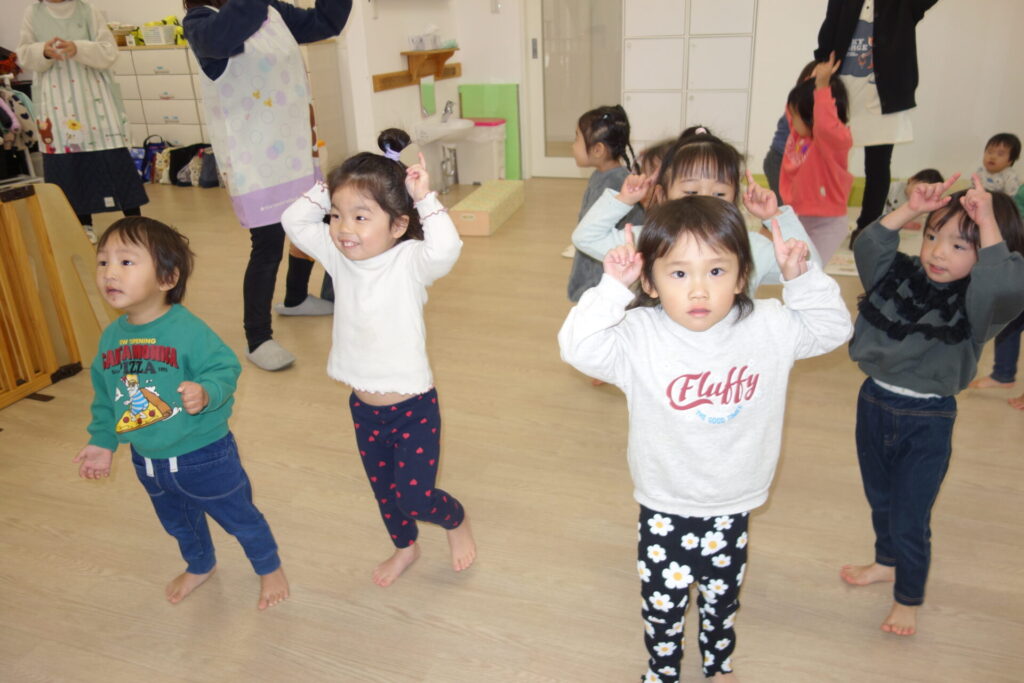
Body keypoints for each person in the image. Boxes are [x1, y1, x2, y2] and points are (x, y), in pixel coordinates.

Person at [559, 197, 852, 682]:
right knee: (662, 604)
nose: (698, 289)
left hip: (733, 499)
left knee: (722, 596)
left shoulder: (769, 324)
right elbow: (577, 347)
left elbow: (833, 328)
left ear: (741, 277)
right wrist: (612, 288)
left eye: (716, 271)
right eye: (678, 274)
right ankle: (662, 670)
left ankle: (718, 664)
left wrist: (800, 280)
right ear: (649, 282)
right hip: (664, 501)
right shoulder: (638, 334)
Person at [281, 129, 476, 587]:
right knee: (385, 494)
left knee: (416, 498)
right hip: (363, 408)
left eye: (360, 216)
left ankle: (456, 521)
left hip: (413, 409)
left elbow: (447, 248)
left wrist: (424, 198)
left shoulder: (410, 261)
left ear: (398, 225)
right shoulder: (339, 255)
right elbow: (293, 221)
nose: (344, 228)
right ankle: (405, 547)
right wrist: (331, 186)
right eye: (336, 215)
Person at [74, 217, 289, 610]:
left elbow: (225, 368)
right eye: (103, 261)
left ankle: (269, 567)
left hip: (204, 456)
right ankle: (200, 564)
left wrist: (207, 392)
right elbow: (106, 396)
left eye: (126, 262)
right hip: (148, 461)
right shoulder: (110, 338)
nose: (109, 273)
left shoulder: (188, 330)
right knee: (178, 522)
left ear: (167, 278)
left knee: (239, 517)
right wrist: (102, 441)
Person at [841, 174, 1024, 636]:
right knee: (880, 499)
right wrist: (910, 209)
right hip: (874, 402)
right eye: (931, 237)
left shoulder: (979, 302)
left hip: (927, 420)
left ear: (986, 251)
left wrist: (988, 222)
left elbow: (1006, 283)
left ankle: (908, 598)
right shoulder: (900, 276)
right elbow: (868, 246)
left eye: (960, 245)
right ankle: (886, 563)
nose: (938, 252)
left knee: (910, 515)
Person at [182, 0, 352, 371]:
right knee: (268, 245)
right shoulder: (200, 22)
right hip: (254, 162)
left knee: (313, 221)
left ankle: (295, 298)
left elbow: (325, 22)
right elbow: (226, 34)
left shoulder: (273, 11)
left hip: (294, 150)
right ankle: (257, 337)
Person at [573, 126, 823, 292]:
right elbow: (586, 237)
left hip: (727, 357)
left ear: (734, 199)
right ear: (662, 196)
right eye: (690, 192)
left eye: (719, 193)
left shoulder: (749, 246)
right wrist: (623, 200)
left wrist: (774, 216)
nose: (705, 201)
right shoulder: (647, 240)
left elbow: (809, 266)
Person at [17, 0, 148, 244]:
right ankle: (82, 223)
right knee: (69, 166)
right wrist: (44, 51)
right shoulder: (32, 13)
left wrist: (77, 48)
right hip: (56, 104)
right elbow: (24, 55)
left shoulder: (88, 10)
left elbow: (109, 51)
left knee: (113, 160)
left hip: (94, 100)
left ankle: (134, 220)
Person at [816, 0, 940, 246]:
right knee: (829, 163)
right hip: (844, 92)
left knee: (878, 166)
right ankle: (822, 221)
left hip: (883, 96)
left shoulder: (902, 5)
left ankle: (867, 229)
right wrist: (820, 64)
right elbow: (829, 28)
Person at [779, 52, 854, 264]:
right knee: (796, 266)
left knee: (813, 269)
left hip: (827, 222)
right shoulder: (798, 135)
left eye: (796, 114)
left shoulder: (831, 141)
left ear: (811, 114)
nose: (791, 120)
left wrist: (822, 87)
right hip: (801, 216)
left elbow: (825, 123)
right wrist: (812, 81)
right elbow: (795, 106)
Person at [564, 105, 643, 300]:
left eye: (577, 139)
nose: (573, 146)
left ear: (598, 149)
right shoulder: (603, 176)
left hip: (603, 272)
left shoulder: (616, 183)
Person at [762, 61, 817, 205]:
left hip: (793, 163)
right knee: (784, 206)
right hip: (778, 161)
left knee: (793, 206)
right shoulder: (796, 108)